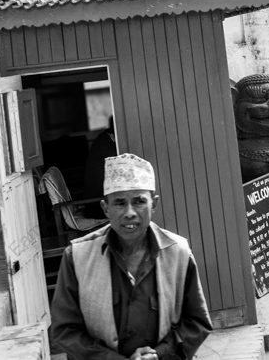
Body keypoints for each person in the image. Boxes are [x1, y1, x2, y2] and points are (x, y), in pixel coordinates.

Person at [51, 153, 213, 359]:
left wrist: (160, 355)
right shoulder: (77, 256)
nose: (130, 212)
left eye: (139, 201)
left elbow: (197, 322)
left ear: (154, 204)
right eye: (119, 203)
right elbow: (64, 331)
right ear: (105, 208)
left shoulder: (177, 252)